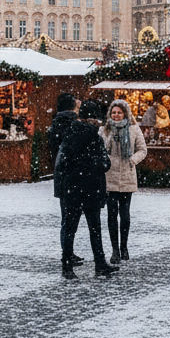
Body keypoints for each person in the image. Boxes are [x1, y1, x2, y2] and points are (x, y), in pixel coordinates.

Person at [55, 99, 116, 279]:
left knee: (69, 228)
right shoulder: (95, 138)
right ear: (93, 119)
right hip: (91, 189)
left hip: (71, 189)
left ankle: (67, 267)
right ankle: (100, 263)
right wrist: (92, 166)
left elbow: (62, 163)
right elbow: (105, 163)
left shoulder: (68, 134)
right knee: (94, 228)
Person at [100, 98, 147, 264]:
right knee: (112, 214)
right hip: (110, 175)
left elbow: (142, 149)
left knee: (125, 214)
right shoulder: (104, 129)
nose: (116, 115)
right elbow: (100, 149)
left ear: (125, 113)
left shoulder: (134, 129)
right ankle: (115, 250)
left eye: (119, 112)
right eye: (114, 112)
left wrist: (132, 160)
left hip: (127, 174)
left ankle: (124, 246)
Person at [48, 93, 85, 268]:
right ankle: (67, 254)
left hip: (62, 177)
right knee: (71, 219)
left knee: (67, 218)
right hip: (74, 177)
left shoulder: (55, 124)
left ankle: (67, 252)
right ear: (72, 108)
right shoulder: (74, 125)